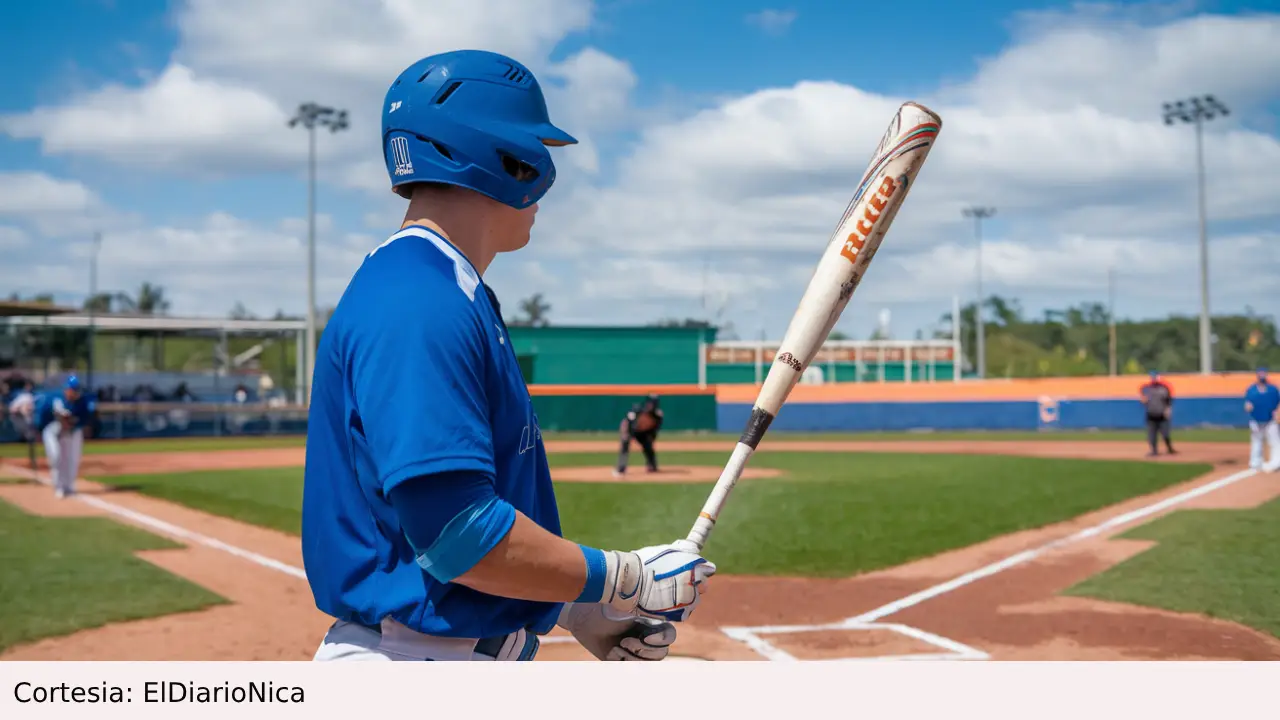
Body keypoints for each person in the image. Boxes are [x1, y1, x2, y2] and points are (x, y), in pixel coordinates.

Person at [301, 50, 716, 664]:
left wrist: (573, 608)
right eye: (532, 150)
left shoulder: (440, 287)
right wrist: (623, 577)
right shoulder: (422, 300)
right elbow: (457, 535)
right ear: (504, 159)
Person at [35, 376, 96, 498]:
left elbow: (85, 419)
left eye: (76, 390)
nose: (74, 393)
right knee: (56, 457)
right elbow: (41, 415)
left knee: (72, 459)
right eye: (72, 390)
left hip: (72, 432)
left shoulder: (82, 401)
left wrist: (73, 423)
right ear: (66, 389)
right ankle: (59, 487)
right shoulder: (53, 398)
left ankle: (69, 486)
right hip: (53, 431)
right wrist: (40, 428)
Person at [614, 393, 664, 477]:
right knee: (625, 444)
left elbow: (655, 429)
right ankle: (621, 468)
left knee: (648, 445)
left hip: (643, 432)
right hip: (630, 429)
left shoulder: (657, 416)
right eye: (651, 402)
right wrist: (626, 434)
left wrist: (651, 437)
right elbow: (627, 422)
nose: (652, 405)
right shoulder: (637, 410)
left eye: (654, 403)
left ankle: (652, 465)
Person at [1244, 366, 1280, 472]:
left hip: (1270, 420)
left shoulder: (1273, 389)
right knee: (1256, 441)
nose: (1262, 375)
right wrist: (1247, 409)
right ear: (1257, 375)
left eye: (1263, 373)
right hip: (1255, 420)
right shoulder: (1251, 390)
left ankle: (1276, 462)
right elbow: (1248, 404)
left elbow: (1278, 402)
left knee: (1274, 441)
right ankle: (1255, 463)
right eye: (1260, 373)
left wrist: (1277, 412)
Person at [1139, 370, 1175, 457]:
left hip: (1162, 414)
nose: (1153, 379)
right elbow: (1143, 400)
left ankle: (1169, 448)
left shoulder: (1164, 388)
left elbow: (1169, 401)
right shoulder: (1146, 388)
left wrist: (1168, 410)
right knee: (1152, 435)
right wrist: (1143, 401)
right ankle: (1154, 451)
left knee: (1165, 434)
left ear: (1159, 377)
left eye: (1155, 377)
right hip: (1151, 414)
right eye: (1152, 377)